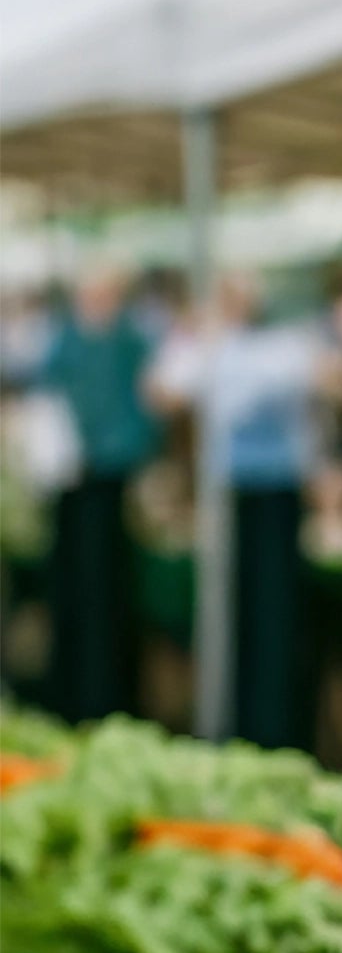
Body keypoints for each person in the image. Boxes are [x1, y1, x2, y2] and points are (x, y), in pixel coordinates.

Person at [147, 272, 327, 750]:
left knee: (274, 618)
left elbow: (327, 380)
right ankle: (243, 724)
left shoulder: (284, 345)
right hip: (233, 493)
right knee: (238, 614)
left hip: (276, 496)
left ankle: (274, 728)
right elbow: (161, 391)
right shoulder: (211, 346)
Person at [37, 266, 159, 721]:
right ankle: (74, 696)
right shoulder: (67, 341)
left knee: (107, 595)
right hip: (69, 483)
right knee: (74, 592)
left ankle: (103, 697)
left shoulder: (128, 342)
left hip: (107, 485)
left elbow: (142, 412)